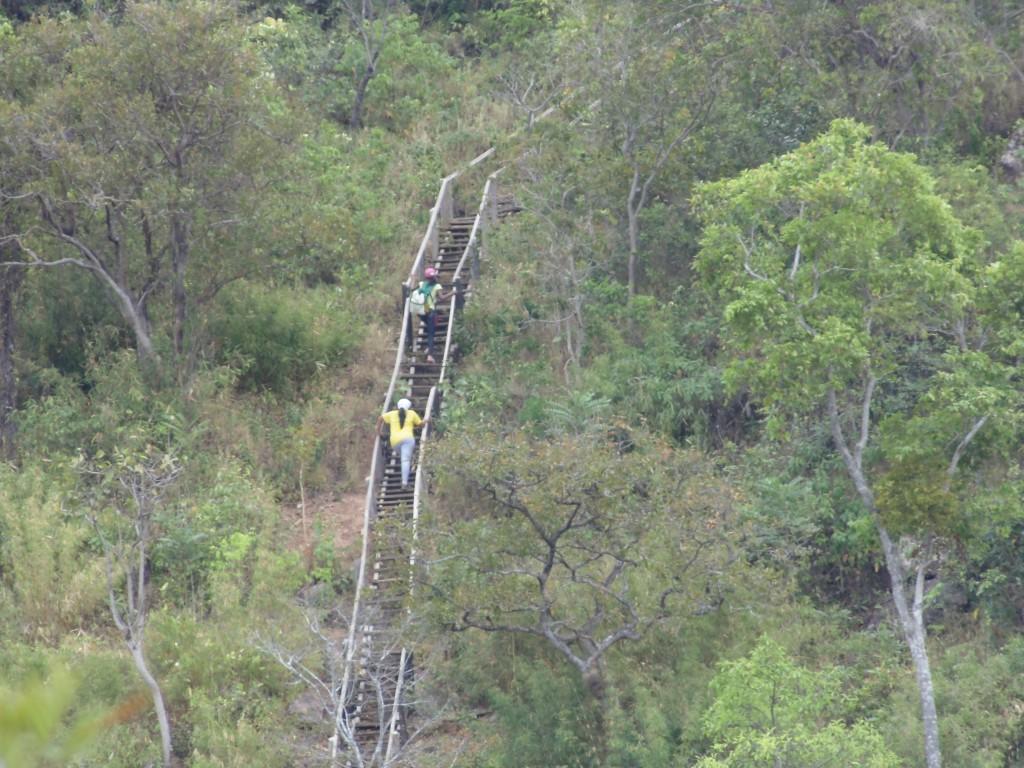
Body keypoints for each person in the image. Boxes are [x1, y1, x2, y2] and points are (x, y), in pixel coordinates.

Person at [376, 397, 428, 489]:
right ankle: (404, 483)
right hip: (408, 439)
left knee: (405, 458)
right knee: (406, 460)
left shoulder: (392, 414)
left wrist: (379, 432)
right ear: (409, 407)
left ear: (398, 406)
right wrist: (426, 420)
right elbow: (421, 424)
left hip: (395, 442)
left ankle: (408, 470)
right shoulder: (411, 413)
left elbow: (380, 418)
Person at [415, 266, 455, 364]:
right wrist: (453, 293)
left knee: (430, 326)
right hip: (430, 312)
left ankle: (429, 348)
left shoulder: (421, 284)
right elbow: (442, 298)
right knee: (431, 334)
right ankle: (430, 356)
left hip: (420, 312)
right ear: (434, 277)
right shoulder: (437, 286)